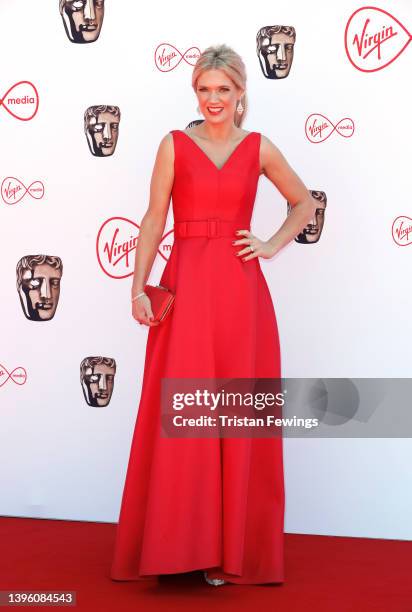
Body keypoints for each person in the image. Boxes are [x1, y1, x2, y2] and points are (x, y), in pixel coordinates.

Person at [110, 43, 317, 587]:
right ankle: (178, 545)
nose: (213, 100)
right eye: (204, 90)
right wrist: (138, 288)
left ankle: (225, 552)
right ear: (194, 93)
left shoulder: (259, 148)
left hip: (240, 295)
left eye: (223, 90)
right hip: (187, 288)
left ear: (241, 92)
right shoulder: (175, 145)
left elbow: (305, 202)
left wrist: (269, 244)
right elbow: (155, 218)